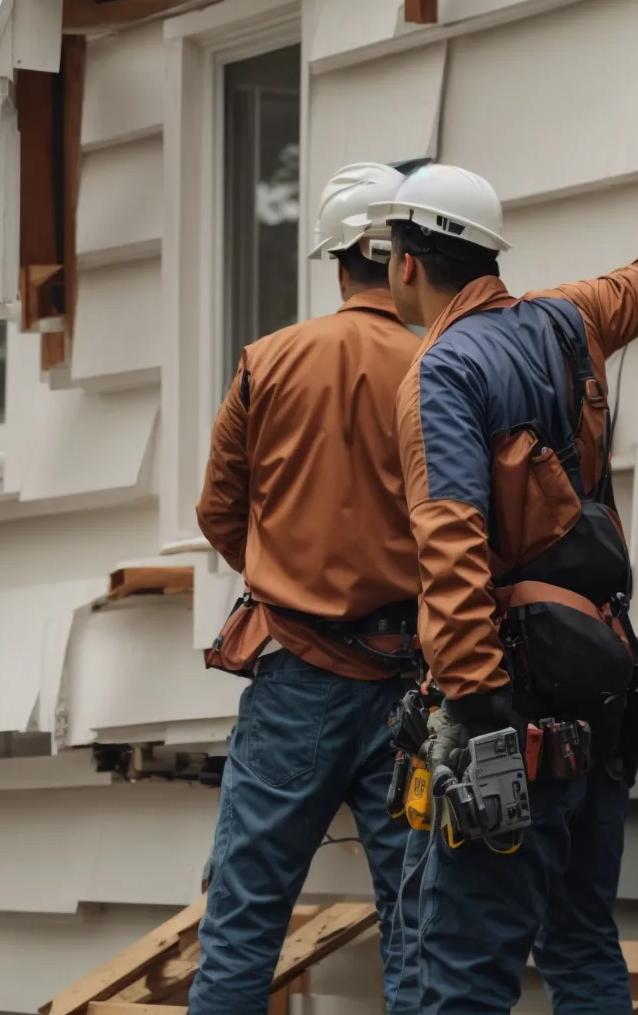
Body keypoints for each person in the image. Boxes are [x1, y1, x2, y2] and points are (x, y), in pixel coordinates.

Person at [375, 162, 638, 1014]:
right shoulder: (567, 321)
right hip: (603, 696)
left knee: (461, 974)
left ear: (406, 263)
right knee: (581, 945)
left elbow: (452, 548)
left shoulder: (442, 371)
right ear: (489, 256)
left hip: (516, 711)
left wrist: (479, 713)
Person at [190, 160, 433, 1015]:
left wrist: (286, 564)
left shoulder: (268, 362)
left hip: (295, 670)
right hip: (413, 676)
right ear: (403, 255)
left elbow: (220, 512)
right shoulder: (438, 363)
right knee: (419, 924)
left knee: (245, 919)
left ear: (337, 261)